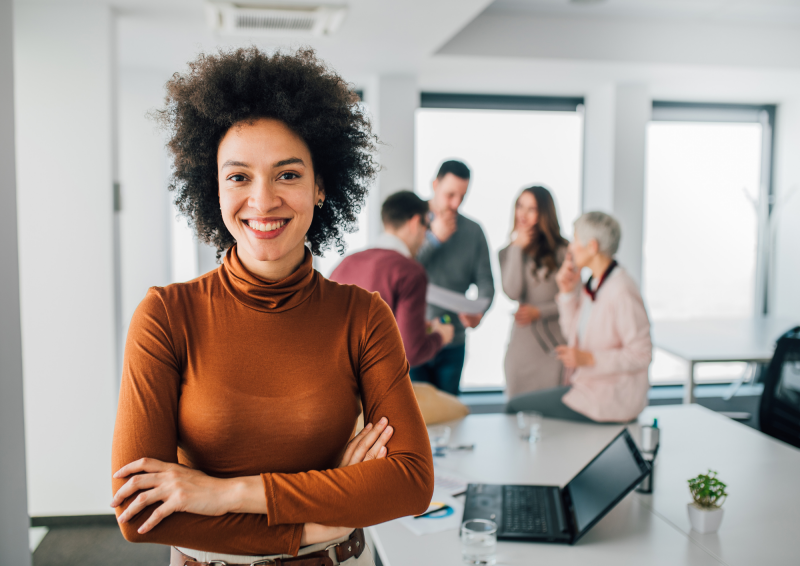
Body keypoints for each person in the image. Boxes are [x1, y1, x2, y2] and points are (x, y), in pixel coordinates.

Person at [110, 47, 433, 565]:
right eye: (239, 176)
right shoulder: (166, 317)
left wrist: (226, 493)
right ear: (213, 188)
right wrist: (323, 513)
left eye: (287, 174)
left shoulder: (364, 317)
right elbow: (140, 512)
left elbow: (411, 482)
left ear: (320, 185)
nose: (263, 201)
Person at [506, 211, 652, 423]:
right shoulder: (594, 284)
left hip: (609, 398)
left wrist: (588, 358)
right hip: (588, 388)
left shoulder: (622, 291)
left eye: (575, 240)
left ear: (591, 247)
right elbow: (572, 332)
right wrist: (566, 292)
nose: (570, 247)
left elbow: (641, 354)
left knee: (515, 406)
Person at [330, 191, 454, 367]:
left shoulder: (345, 263)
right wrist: (440, 336)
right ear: (414, 223)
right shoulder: (410, 272)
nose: (424, 237)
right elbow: (411, 352)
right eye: (426, 227)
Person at [410, 160, 494, 395]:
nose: (456, 204)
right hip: (413, 336)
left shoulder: (473, 231)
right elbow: (400, 270)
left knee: (449, 414)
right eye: (450, 195)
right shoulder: (412, 222)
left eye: (462, 196)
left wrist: (480, 312)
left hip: (453, 340)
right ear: (435, 185)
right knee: (413, 418)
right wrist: (434, 239)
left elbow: (487, 283)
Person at [499, 186, 569, 398]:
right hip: (521, 351)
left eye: (532, 209)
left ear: (544, 214)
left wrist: (540, 311)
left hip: (552, 349)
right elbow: (512, 291)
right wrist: (517, 249)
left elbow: (574, 302)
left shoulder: (563, 251)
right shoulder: (507, 252)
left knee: (551, 422)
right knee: (516, 419)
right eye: (520, 206)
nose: (523, 214)